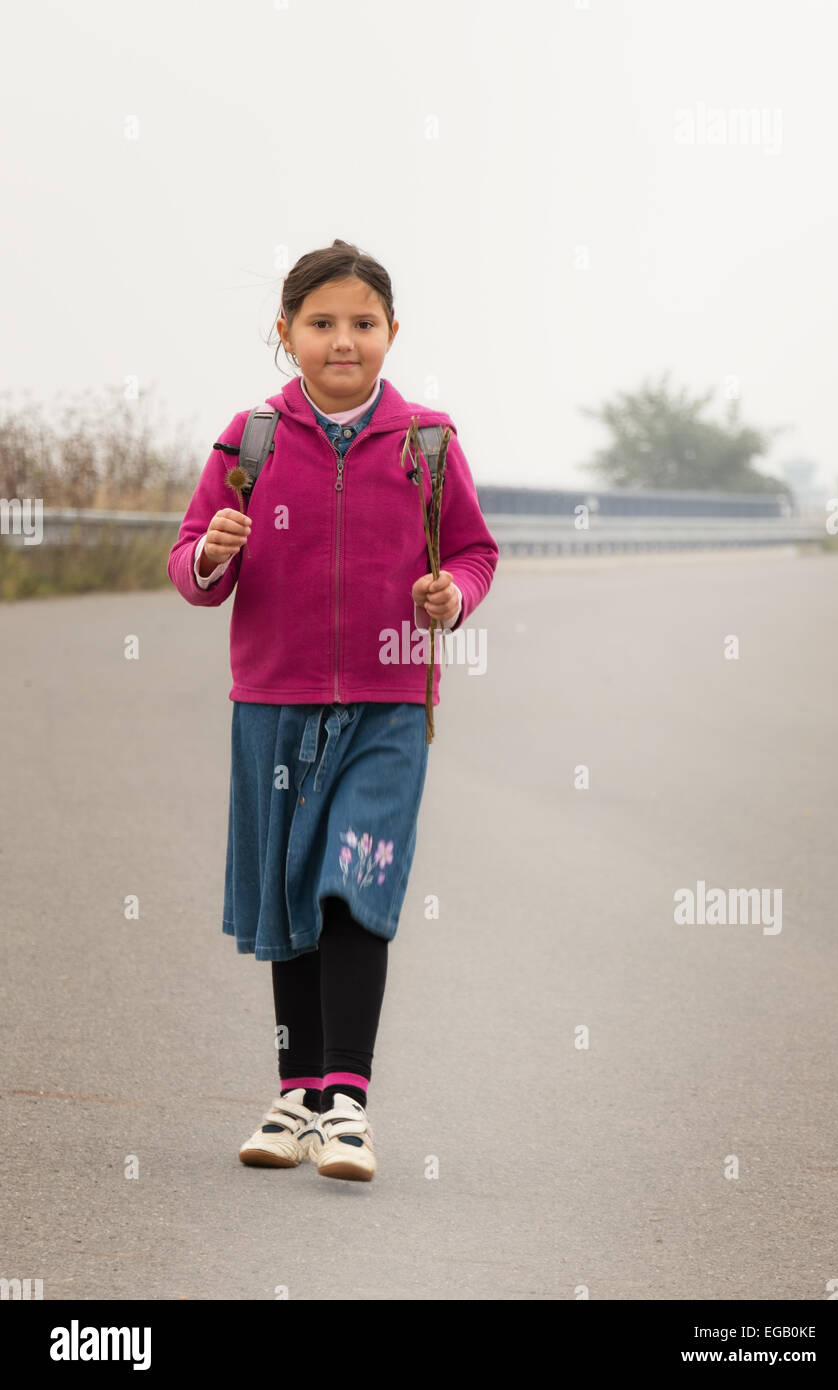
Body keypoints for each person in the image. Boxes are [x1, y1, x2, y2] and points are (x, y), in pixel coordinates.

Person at [167, 238, 498, 1181]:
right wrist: (216, 549)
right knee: (289, 894)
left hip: (391, 710)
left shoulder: (428, 442)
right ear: (286, 335)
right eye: (321, 324)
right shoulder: (250, 440)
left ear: (393, 333)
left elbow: (476, 552)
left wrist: (452, 596)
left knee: (356, 882)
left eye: (362, 323)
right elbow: (192, 570)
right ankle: (295, 1094)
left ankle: (346, 1105)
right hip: (273, 707)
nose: (342, 341)